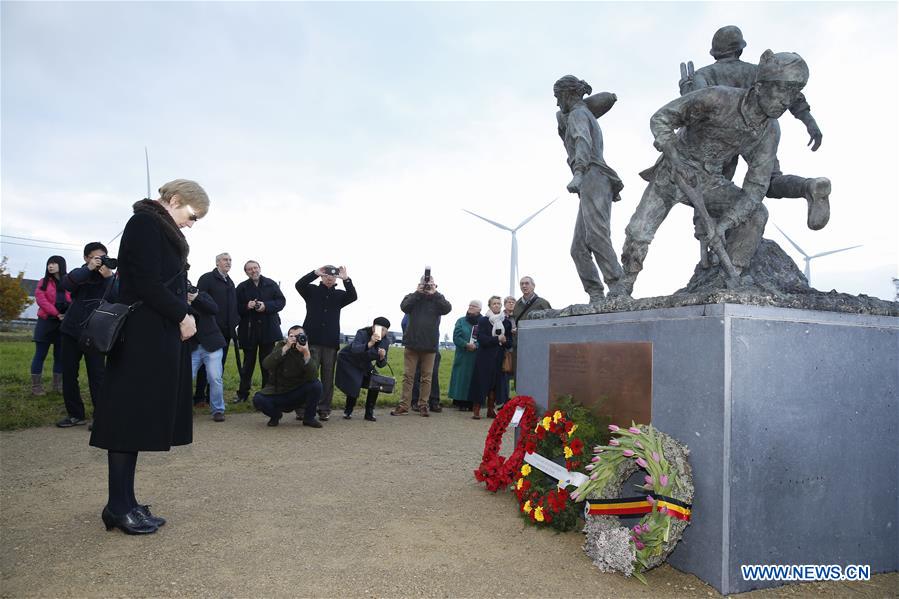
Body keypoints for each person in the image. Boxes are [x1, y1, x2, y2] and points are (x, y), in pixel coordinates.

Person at [620, 50, 811, 295]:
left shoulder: (770, 131)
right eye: (783, 90)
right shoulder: (717, 99)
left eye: (794, 93)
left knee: (756, 214)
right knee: (639, 230)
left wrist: (724, 224)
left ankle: (727, 279)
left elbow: (756, 188)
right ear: (761, 86)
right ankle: (623, 286)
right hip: (672, 173)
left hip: (710, 182)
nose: (787, 101)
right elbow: (661, 119)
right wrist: (673, 154)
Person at [89, 179, 208, 535]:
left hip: (153, 334)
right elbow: (143, 281)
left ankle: (124, 502)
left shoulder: (157, 226)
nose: (191, 223)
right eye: (192, 215)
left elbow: (157, 280)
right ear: (174, 200)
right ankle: (117, 505)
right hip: (140, 335)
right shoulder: (143, 223)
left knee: (136, 419)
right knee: (127, 418)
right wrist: (182, 314)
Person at [678, 25, 830, 235]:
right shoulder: (759, 72)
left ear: (715, 51)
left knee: (711, 189)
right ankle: (808, 187)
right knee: (769, 182)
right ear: (739, 49)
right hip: (760, 133)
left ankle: (712, 242)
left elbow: (694, 105)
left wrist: (686, 87)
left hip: (722, 139)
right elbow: (791, 95)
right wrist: (810, 123)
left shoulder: (704, 74)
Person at [554, 75, 627, 302]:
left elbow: (581, 141)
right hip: (590, 179)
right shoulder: (579, 113)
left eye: (558, 97)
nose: (557, 103)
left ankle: (618, 287)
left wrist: (578, 172)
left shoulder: (578, 114)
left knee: (596, 235)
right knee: (578, 247)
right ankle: (595, 294)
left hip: (593, 174)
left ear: (567, 95)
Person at [57, 242, 116, 428]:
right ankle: (75, 414)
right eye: (95, 257)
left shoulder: (109, 277)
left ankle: (101, 417)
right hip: (71, 331)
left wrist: (109, 277)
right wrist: (89, 268)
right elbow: (66, 284)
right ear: (86, 258)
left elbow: (119, 297)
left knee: (98, 376)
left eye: (102, 257)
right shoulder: (80, 274)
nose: (100, 261)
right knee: (69, 374)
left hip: (95, 333)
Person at [294, 265, 357, 421]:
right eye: (327, 275)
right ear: (322, 276)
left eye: (333, 276)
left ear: (336, 278)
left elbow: (353, 296)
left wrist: (346, 279)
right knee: (308, 375)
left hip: (330, 342)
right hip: (312, 341)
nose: (330, 278)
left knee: (328, 378)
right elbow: (299, 285)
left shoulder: (340, 295)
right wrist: (314, 273)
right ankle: (302, 408)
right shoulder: (311, 291)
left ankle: (324, 408)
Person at [391, 273, 451, 417]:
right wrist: (417, 292)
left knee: (427, 377)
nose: (427, 286)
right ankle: (404, 405)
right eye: (424, 284)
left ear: (435, 285)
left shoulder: (437, 300)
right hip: (412, 343)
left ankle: (423, 405)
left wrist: (435, 293)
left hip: (430, 345)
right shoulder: (412, 297)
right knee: (408, 376)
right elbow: (404, 307)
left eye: (430, 283)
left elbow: (447, 308)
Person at [252, 326, 323, 428]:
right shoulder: (281, 346)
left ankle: (309, 418)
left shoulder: (311, 350)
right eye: (292, 336)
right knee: (258, 399)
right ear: (287, 338)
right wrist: (285, 348)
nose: (295, 339)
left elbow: (313, 376)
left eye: (299, 336)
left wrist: (306, 354)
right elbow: (266, 364)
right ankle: (275, 416)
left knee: (316, 385)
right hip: (278, 391)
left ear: (305, 337)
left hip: (298, 392)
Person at [234, 261, 285, 402]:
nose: (253, 271)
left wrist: (265, 306)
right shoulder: (241, 287)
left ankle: (266, 393)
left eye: (255, 268)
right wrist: (246, 306)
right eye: (249, 269)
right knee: (247, 365)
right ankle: (242, 394)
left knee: (267, 364)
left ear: (260, 269)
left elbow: (281, 302)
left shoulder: (271, 284)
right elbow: (235, 307)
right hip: (249, 331)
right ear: (246, 272)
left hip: (268, 330)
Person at [195, 252, 239, 406]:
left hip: (225, 332)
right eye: (225, 260)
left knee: (218, 366)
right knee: (202, 365)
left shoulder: (230, 282)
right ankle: (199, 397)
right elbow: (198, 301)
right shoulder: (207, 278)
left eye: (230, 260)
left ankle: (210, 397)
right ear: (217, 263)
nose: (228, 262)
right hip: (209, 330)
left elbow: (232, 306)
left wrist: (235, 322)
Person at [335, 317, 391, 421]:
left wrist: (382, 357)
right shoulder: (362, 333)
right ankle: (348, 411)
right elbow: (355, 349)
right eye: (380, 329)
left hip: (364, 363)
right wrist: (370, 343)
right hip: (349, 361)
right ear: (374, 327)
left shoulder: (385, 342)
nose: (382, 332)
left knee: (376, 381)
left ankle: (369, 412)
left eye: (385, 330)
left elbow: (381, 364)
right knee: (355, 381)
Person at [30, 256, 71, 396]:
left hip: (63, 323)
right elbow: (41, 300)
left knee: (59, 355)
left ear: (61, 265)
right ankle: (36, 387)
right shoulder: (43, 282)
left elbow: (74, 299)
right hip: (46, 322)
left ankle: (57, 385)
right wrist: (57, 313)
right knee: (40, 355)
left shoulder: (69, 282)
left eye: (54, 263)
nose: (51, 266)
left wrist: (67, 314)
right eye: (49, 263)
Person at [467, 296, 512, 419]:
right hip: (484, 357)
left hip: (499, 357)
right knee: (481, 383)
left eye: (498, 303)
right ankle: (476, 410)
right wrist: (497, 339)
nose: (497, 305)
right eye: (494, 303)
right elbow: (481, 339)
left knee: (495, 385)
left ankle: (491, 409)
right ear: (490, 306)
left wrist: (505, 340)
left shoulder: (506, 322)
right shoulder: (483, 321)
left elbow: (509, 342)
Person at [187, 287, 227, 421]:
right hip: (191, 346)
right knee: (185, 378)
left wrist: (196, 298)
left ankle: (218, 410)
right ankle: (184, 409)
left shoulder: (203, 296)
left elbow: (214, 309)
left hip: (212, 344)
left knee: (214, 378)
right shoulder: (178, 300)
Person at [402, 313, 442, 413]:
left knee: (427, 376)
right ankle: (421, 402)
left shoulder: (435, 304)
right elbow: (404, 323)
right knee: (421, 375)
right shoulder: (414, 306)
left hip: (430, 346)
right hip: (418, 345)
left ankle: (428, 402)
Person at [448, 300, 481, 411]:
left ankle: (473, 403)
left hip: (476, 355)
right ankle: (460, 401)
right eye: (470, 305)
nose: (471, 307)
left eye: (474, 306)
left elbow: (485, 336)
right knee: (461, 379)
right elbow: (456, 337)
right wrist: (465, 344)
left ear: (480, 309)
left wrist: (476, 345)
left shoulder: (483, 322)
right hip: (463, 354)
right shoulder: (461, 321)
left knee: (474, 379)